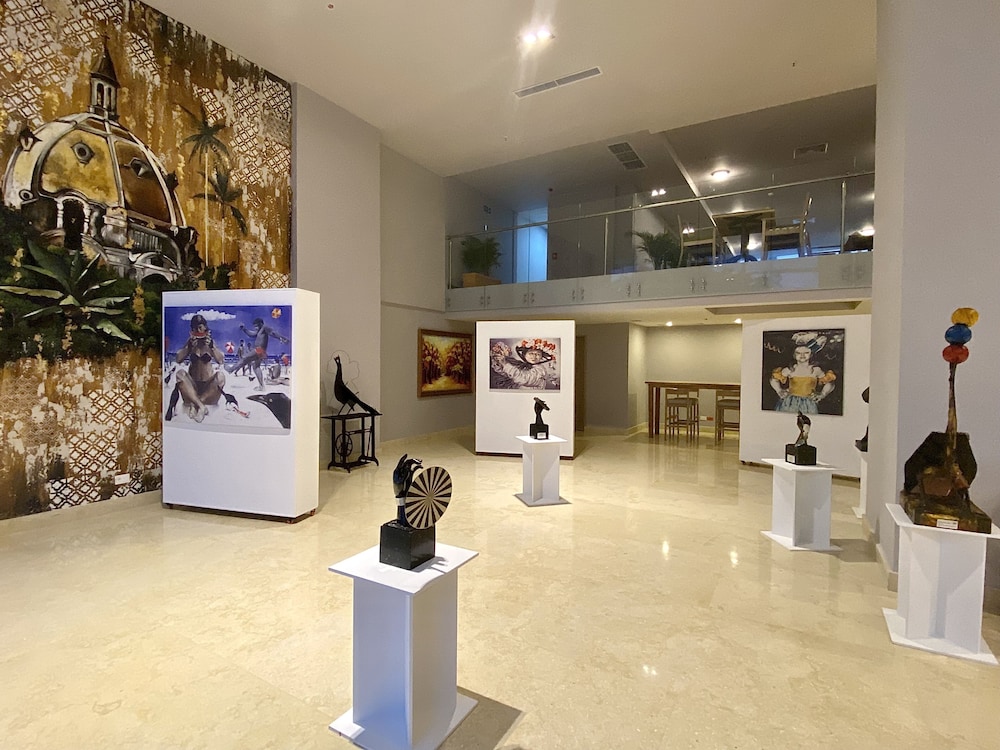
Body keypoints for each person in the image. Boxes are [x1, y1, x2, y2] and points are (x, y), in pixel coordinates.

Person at [165, 314, 227, 423]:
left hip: (208, 386)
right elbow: (178, 359)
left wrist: (212, 347)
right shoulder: (190, 342)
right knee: (180, 374)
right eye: (195, 328)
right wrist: (188, 347)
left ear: (205, 327)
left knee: (221, 376)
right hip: (192, 386)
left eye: (200, 327)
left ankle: (196, 404)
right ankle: (201, 406)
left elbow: (221, 360)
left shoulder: (210, 342)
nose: (198, 330)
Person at [769, 333, 836, 413]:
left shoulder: (816, 370)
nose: (802, 355)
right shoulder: (791, 369)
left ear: (811, 354)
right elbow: (774, 379)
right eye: (798, 353)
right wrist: (779, 390)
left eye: (806, 352)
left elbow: (830, 383)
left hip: (809, 404)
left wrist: (822, 394)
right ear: (794, 355)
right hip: (790, 403)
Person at [226, 317, 290, 391]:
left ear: (261, 324)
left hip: (259, 349)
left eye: (256, 326)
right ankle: (261, 386)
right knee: (256, 367)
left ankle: (231, 369)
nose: (255, 328)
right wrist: (244, 329)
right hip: (261, 351)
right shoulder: (259, 330)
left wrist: (282, 338)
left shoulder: (264, 327)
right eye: (255, 326)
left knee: (244, 358)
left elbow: (273, 333)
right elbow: (252, 334)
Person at [489, 338, 559, 390]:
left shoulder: (540, 370)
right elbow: (508, 374)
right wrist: (500, 361)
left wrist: (505, 364)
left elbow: (524, 379)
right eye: (531, 353)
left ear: (541, 357)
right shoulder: (521, 365)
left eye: (538, 354)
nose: (534, 356)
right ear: (524, 355)